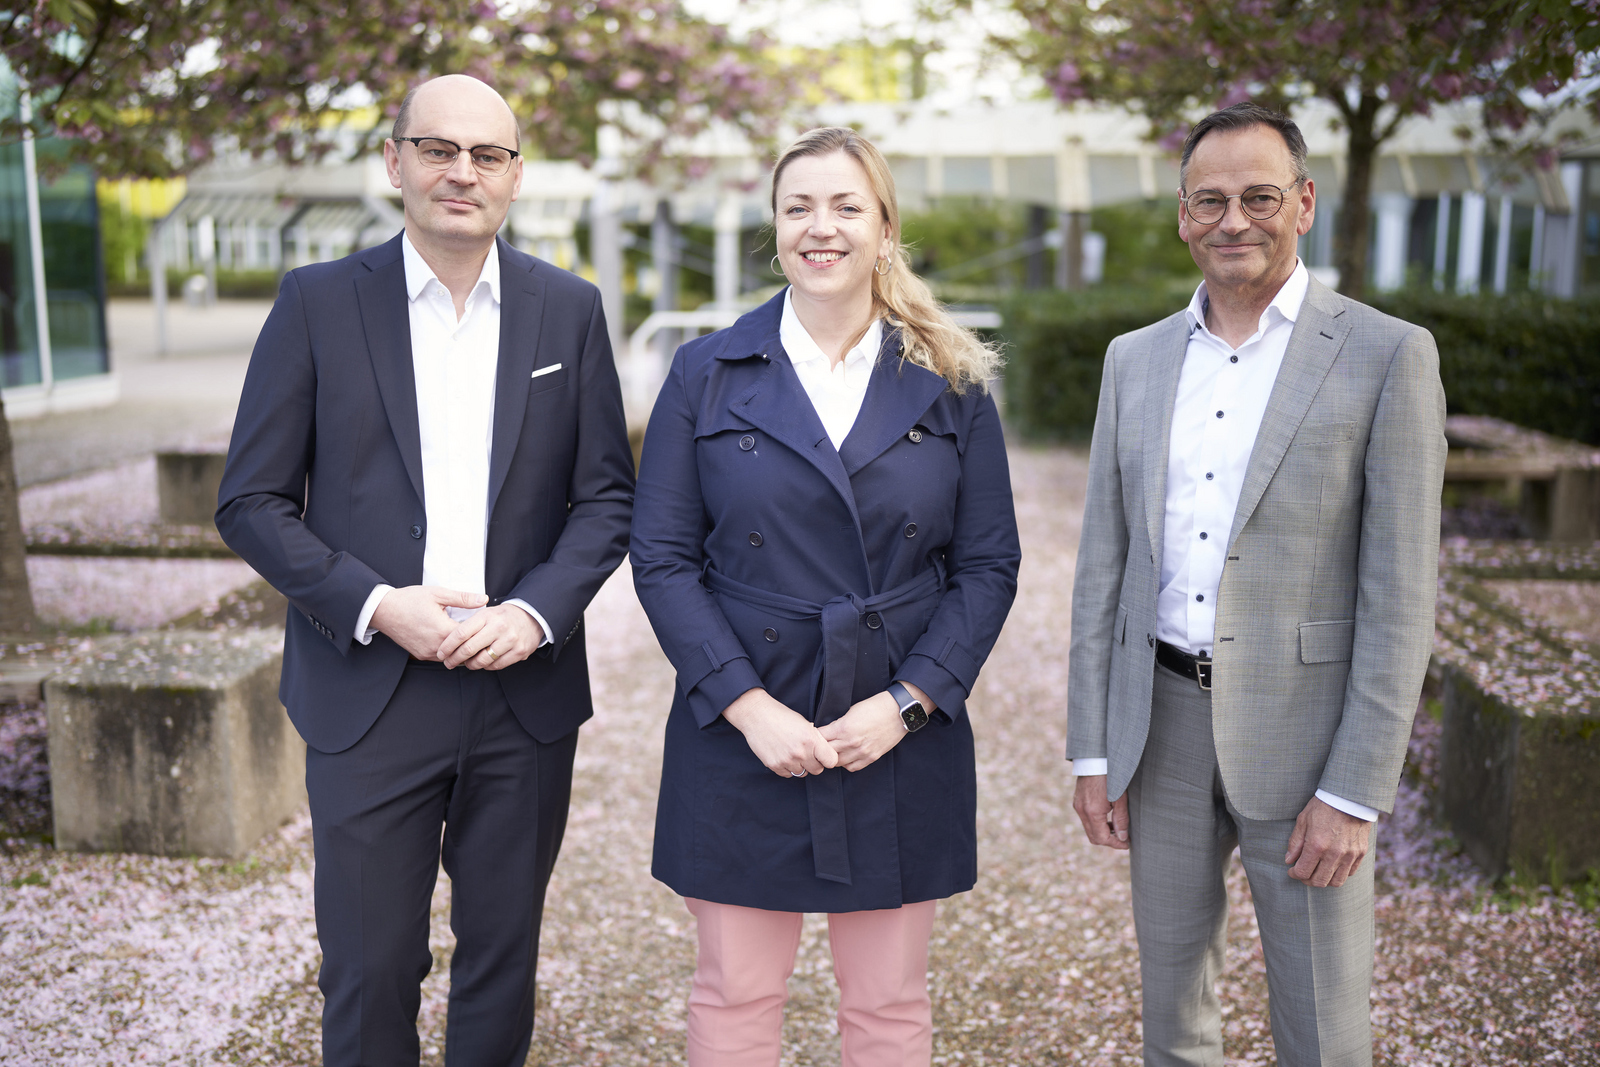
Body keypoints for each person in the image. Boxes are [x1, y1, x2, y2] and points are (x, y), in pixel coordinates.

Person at [215, 74, 634, 1066]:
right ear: (393, 161)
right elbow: (250, 500)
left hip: (521, 693)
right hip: (368, 690)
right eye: (439, 148)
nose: (462, 171)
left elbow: (609, 496)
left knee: (501, 957)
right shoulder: (317, 303)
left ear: (516, 177)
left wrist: (536, 612)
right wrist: (374, 604)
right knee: (368, 965)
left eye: (486, 154)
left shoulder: (568, 311)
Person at [630, 126, 1021, 1067]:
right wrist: (747, 706)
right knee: (734, 992)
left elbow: (988, 565)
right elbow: (663, 558)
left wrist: (905, 703)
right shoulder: (706, 370)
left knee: (888, 1003)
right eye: (799, 206)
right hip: (740, 721)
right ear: (775, 228)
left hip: (896, 725)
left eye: (846, 206)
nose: (822, 227)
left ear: (885, 228)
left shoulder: (951, 378)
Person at [1066, 100, 1445, 1066]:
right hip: (1161, 728)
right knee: (1173, 1011)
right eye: (1210, 200)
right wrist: (1092, 749)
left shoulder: (1388, 356)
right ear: (1183, 215)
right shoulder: (1133, 360)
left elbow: (1400, 595)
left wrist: (1357, 790)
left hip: (1308, 732)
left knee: (1322, 1022)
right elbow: (1102, 565)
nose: (1235, 220)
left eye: (1259, 197)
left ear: (1304, 203)